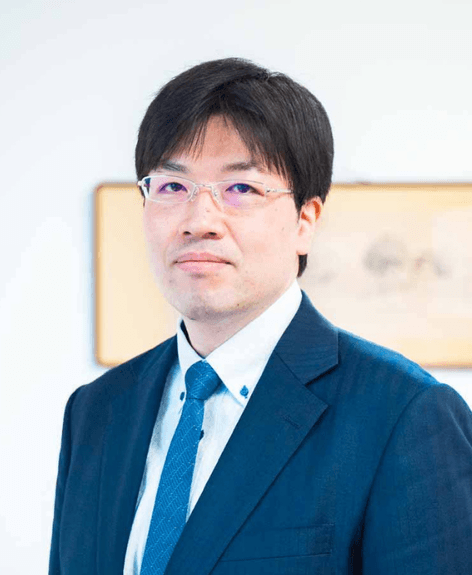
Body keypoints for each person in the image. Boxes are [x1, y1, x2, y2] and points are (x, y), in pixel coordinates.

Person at [49, 58, 472, 575]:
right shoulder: (96, 411)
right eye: (172, 187)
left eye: (241, 189)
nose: (199, 221)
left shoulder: (405, 415)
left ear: (305, 220)